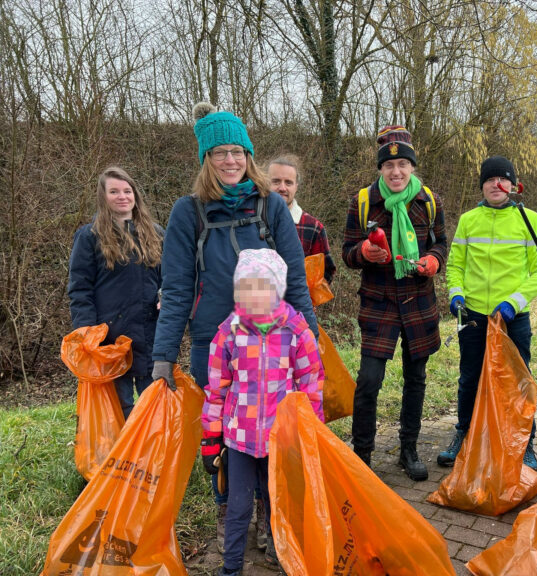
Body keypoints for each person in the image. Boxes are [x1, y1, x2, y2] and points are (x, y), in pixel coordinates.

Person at [151, 102, 318, 550]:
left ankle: (269, 517)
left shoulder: (270, 207)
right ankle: (231, 515)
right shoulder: (188, 213)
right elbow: (178, 288)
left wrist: (311, 337)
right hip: (215, 343)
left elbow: (296, 278)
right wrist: (164, 356)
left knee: (274, 437)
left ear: (249, 155)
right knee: (223, 435)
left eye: (238, 151)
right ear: (206, 158)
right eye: (220, 152)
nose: (230, 160)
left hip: (275, 343)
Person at [201, 249, 324, 575]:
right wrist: (211, 437)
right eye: (248, 287)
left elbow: (311, 386)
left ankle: (284, 560)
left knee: (278, 505)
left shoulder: (296, 331)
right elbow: (216, 388)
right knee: (238, 508)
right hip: (240, 438)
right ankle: (230, 569)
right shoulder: (229, 332)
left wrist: (313, 434)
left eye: (264, 286)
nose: (256, 294)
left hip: (280, 439)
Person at [342, 125, 447, 481]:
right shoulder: (363, 202)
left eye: (403, 163)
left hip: (419, 300)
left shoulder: (429, 201)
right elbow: (346, 253)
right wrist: (364, 253)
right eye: (389, 166)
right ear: (380, 169)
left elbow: (441, 243)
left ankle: (409, 448)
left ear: (412, 166)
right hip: (379, 302)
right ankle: (363, 455)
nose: (396, 171)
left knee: (416, 378)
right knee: (369, 381)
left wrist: (433, 261)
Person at [438, 156, 537, 470]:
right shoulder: (469, 220)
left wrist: (513, 302)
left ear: (512, 185)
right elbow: (455, 265)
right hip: (472, 315)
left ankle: (524, 442)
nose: (495, 185)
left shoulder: (531, 220)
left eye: (502, 180)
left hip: (512, 317)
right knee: (469, 378)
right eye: (489, 180)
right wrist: (456, 294)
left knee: (517, 380)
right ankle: (464, 433)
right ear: (482, 185)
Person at [68, 167, 163, 419]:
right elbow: (80, 290)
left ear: (135, 195)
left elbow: (172, 278)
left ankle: (149, 456)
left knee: (152, 407)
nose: (122, 196)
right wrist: (87, 334)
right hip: (110, 341)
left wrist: (166, 294)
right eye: (114, 191)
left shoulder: (156, 233)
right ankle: (121, 456)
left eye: (127, 190)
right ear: (103, 196)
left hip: (151, 336)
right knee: (117, 410)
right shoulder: (89, 237)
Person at [267, 154, 336, 282]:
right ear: (265, 183)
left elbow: (326, 274)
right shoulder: (251, 221)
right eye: (276, 181)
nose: (282, 188)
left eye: (288, 182)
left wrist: (301, 295)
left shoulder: (314, 228)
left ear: (296, 186)